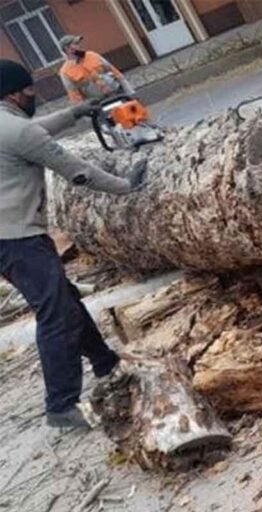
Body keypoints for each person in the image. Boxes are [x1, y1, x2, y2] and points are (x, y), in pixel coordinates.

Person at [0, 59, 147, 429]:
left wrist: (76, 113)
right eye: (29, 90)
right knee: (56, 315)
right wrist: (126, 186)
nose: (33, 95)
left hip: (6, 240)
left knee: (63, 299)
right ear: (14, 94)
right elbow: (78, 171)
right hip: (19, 238)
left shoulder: (9, 126)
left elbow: (32, 130)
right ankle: (61, 405)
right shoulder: (18, 132)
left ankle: (105, 363)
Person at [58, 34, 135, 105]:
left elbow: (116, 74)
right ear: (67, 49)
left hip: (118, 93)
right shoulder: (65, 71)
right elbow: (74, 95)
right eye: (76, 44)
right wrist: (85, 110)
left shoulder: (92, 55)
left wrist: (131, 93)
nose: (80, 45)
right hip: (100, 103)